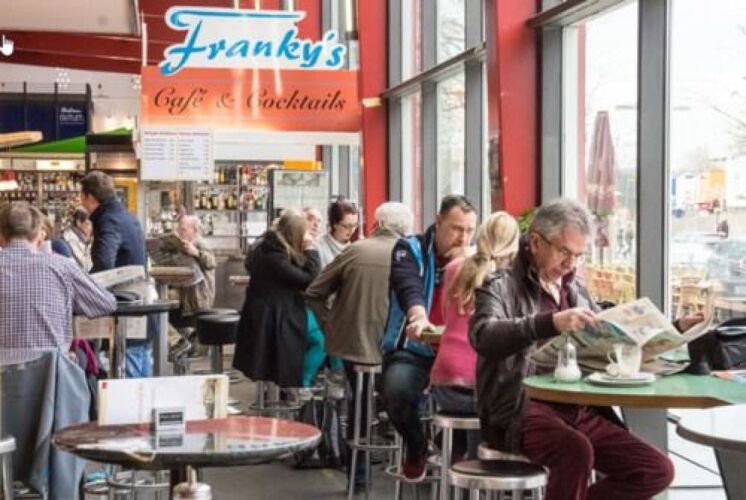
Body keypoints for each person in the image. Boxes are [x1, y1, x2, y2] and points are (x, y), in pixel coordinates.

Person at [469, 199, 702, 500]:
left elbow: (613, 335)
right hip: (519, 408)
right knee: (576, 451)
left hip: (578, 407)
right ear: (536, 242)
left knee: (655, 470)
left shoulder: (575, 290)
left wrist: (673, 329)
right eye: (564, 252)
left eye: (579, 255)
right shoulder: (499, 284)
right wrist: (550, 322)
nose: (571, 263)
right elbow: (483, 335)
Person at [305, 202, 413, 491]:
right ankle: (408, 473)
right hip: (400, 347)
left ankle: (358, 477)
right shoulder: (413, 255)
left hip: (356, 346)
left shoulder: (355, 251)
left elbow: (314, 292)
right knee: (404, 402)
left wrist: (331, 325)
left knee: (359, 407)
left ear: (377, 223)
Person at [380, 195, 478, 482]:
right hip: (414, 346)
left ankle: (450, 444)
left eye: (469, 231)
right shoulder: (410, 248)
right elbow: (407, 285)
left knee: (478, 397)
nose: (463, 238)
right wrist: (418, 317)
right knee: (395, 392)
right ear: (438, 223)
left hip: (458, 351)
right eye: (457, 228)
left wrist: (465, 267)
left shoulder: (476, 261)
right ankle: (417, 445)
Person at [430, 211, 519, 461]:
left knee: (480, 413)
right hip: (483, 390)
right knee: (518, 409)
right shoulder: (511, 281)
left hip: (444, 386)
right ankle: (479, 467)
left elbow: (446, 317)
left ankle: (454, 451)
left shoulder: (453, 269)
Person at [0, 201, 116, 362]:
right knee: (81, 359)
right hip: (51, 373)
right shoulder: (62, 266)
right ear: (40, 236)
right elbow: (106, 303)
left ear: (1, 237)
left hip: (2, 373)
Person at [80, 170, 156, 378]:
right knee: (142, 380)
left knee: (128, 382)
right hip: (139, 305)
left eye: (81, 196)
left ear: (89, 197)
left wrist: (84, 288)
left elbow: (104, 263)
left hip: (125, 311)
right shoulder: (126, 215)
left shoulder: (108, 220)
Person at [233, 209, 321, 388]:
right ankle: (300, 386)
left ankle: (295, 386)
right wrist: (311, 249)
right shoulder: (274, 256)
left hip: (267, 315)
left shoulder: (268, 247)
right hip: (275, 319)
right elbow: (309, 279)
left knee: (320, 338)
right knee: (321, 340)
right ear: (295, 234)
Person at [314, 197, 359, 267]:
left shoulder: (356, 246)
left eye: (355, 225)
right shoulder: (317, 246)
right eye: (346, 226)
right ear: (335, 224)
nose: (352, 230)